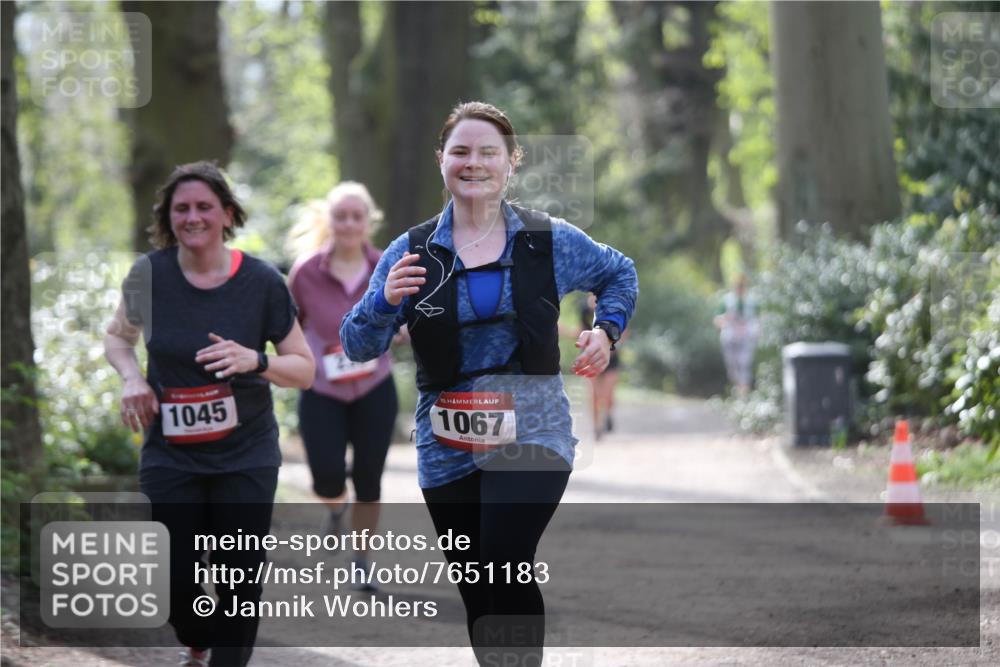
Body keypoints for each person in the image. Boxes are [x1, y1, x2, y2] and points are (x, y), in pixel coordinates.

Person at [340, 101, 638, 666]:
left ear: (510, 162)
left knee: (505, 557)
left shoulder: (548, 239)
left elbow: (618, 271)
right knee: (479, 587)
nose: (472, 162)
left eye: (487, 152)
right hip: (446, 442)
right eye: (460, 152)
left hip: (534, 428)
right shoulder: (411, 251)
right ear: (442, 161)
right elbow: (356, 345)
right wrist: (382, 302)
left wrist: (607, 330)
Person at [104, 161, 314, 667]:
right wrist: (132, 378)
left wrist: (256, 360)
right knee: (173, 576)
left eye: (204, 206)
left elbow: (304, 369)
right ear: (168, 217)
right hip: (171, 454)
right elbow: (117, 337)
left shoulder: (262, 282)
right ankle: (197, 636)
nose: (192, 217)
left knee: (238, 574)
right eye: (181, 208)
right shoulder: (149, 275)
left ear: (227, 214)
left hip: (246, 453)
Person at [286, 183, 399, 588]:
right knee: (327, 477)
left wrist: (399, 332)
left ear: (369, 222)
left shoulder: (386, 265)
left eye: (357, 216)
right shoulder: (305, 272)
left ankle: (361, 560)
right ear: (329, 221)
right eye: (341, 216)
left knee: (369, 478)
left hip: (375, 386)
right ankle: (335, 507)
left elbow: (407, 318)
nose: (349, 224)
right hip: (321, 388)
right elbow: (289, 328)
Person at [579, 292, 623, 440]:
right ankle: (596, 426)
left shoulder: (613, 309)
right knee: (593, 394)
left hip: (611, 357)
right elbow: (580, 331)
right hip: (591, 356)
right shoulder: (584, 312)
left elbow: (624, 330)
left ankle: (608, 414)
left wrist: (611, 346)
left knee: (607, 394)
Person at [714, 273, 758, 396]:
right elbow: (717, 320)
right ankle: (738, 389)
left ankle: (743, 394)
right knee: (732, 367)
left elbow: (757, 320)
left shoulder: (752, 301)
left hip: (746, 338)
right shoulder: (727, 300)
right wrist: (726, 318)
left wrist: (755, 330)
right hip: (730, 338)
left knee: (744, 364)